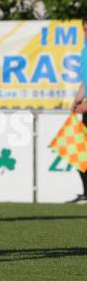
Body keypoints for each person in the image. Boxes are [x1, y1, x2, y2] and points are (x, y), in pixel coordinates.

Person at [69, 17, 87, 204]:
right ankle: (86, 194)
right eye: (84, 29)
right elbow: (86, 81)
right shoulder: (85, 50)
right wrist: (77, 99)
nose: (86, 34)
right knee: (79, 152)